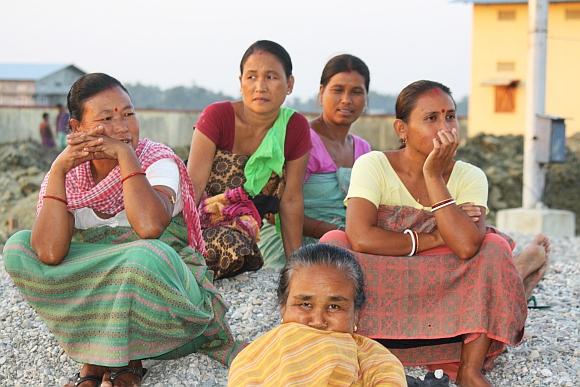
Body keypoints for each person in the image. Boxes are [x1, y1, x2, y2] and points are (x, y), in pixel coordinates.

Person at [3, 73, 240, 387]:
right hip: (104, 294)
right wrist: (59, 168)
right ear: (76, 129)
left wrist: (126, 155)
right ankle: (108, 352)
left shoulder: (157, 160)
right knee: (19, 248)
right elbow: (48, 252)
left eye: (128, 114)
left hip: (167, 304)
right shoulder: (66, 175)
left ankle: (109, 359)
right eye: (106, 118)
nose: (123, 127)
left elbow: (149, 226)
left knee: (145, 256)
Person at [321, 80, 549, 386]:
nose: (445, 127)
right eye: (431, 118)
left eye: (451, 116)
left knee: (492, 249)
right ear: (401, 129)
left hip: (445, 273)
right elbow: (360, 237)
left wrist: (433, 175)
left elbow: (467, 247)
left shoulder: (469, 175)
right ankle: (523, 264)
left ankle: (470, 367)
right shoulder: (373, 164)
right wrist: (437, 238)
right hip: (394, 271)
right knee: (331, 245)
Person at [187, 40, 311, 279]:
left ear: (290, 84)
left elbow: (292, 199)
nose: (260, 86)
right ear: (241, 82)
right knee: (224, 250)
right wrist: (185, 240)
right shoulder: (217, 116)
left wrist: (295, 266)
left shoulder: (294, 127)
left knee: (241, 251)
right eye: (251, 77)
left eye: (272, 77)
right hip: (201, 220)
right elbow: (193, 186)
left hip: (245, 230)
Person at [228, 243, 407, 386]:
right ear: (283, 306)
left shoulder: (379, 366)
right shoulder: (252, 362)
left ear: (356, 315)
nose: (317, 321)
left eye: (334, 307)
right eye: (305, 304)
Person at [258, 54, 372, 269]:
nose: (346, 99)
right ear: (321, 94)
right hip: (288, 245)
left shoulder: (364, 151)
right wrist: (333, 232)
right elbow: (274, 211)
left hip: (346, 244)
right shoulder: (302, 138)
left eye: (356, 92)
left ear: (366, 99)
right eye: (338, 90)